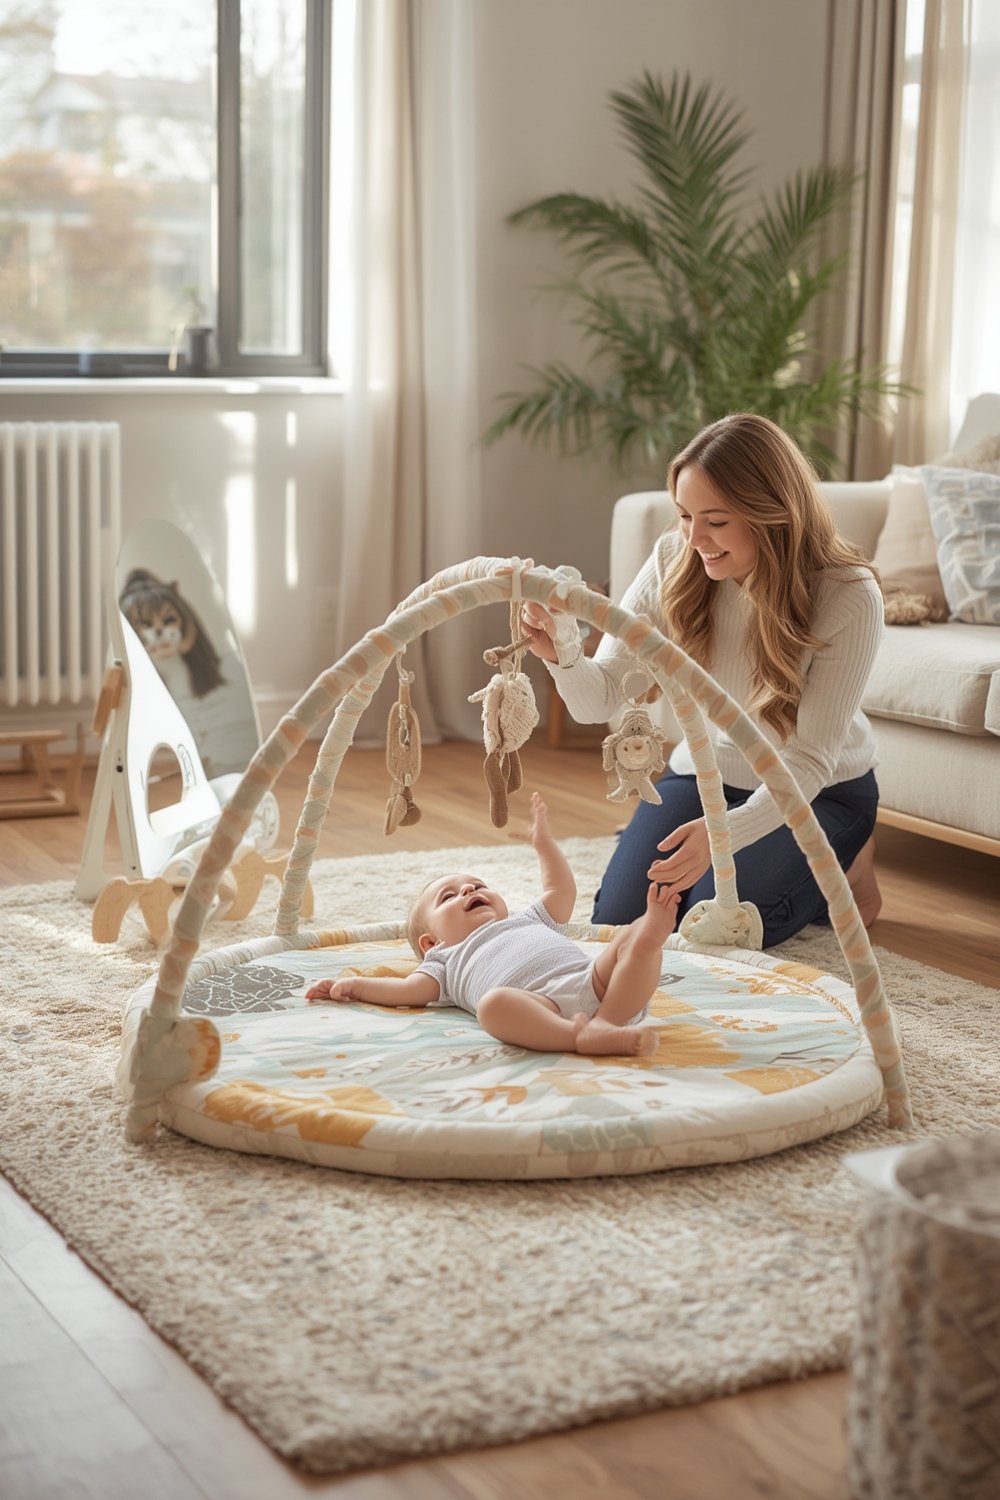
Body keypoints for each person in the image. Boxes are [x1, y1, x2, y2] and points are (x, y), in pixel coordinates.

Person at [520, 412, 884, 948]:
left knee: (717, 927)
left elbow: (808, 760)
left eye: (716, 521)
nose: (695, 538)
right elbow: (600, 700)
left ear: (772, 514)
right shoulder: (676, 557)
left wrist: (725, 833)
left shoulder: (848, 594)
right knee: (620, 921)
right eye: (685, 515)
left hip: (817, 791)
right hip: (706, 775)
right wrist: (564, 652)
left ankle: (850, 866)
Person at [306, 792, 679, 1057]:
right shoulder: (444, 961)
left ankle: (610, 1022)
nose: (468, 888)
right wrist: (354, 985)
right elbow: (405, 991)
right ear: (429, 942)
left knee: (633, 938)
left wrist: (544, 844)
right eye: (448, 897)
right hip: (540, 1007)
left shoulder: (528, 919)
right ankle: (577, 1037)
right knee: (493, 1005)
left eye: (477, 885)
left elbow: (559, 888)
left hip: (598, 984)